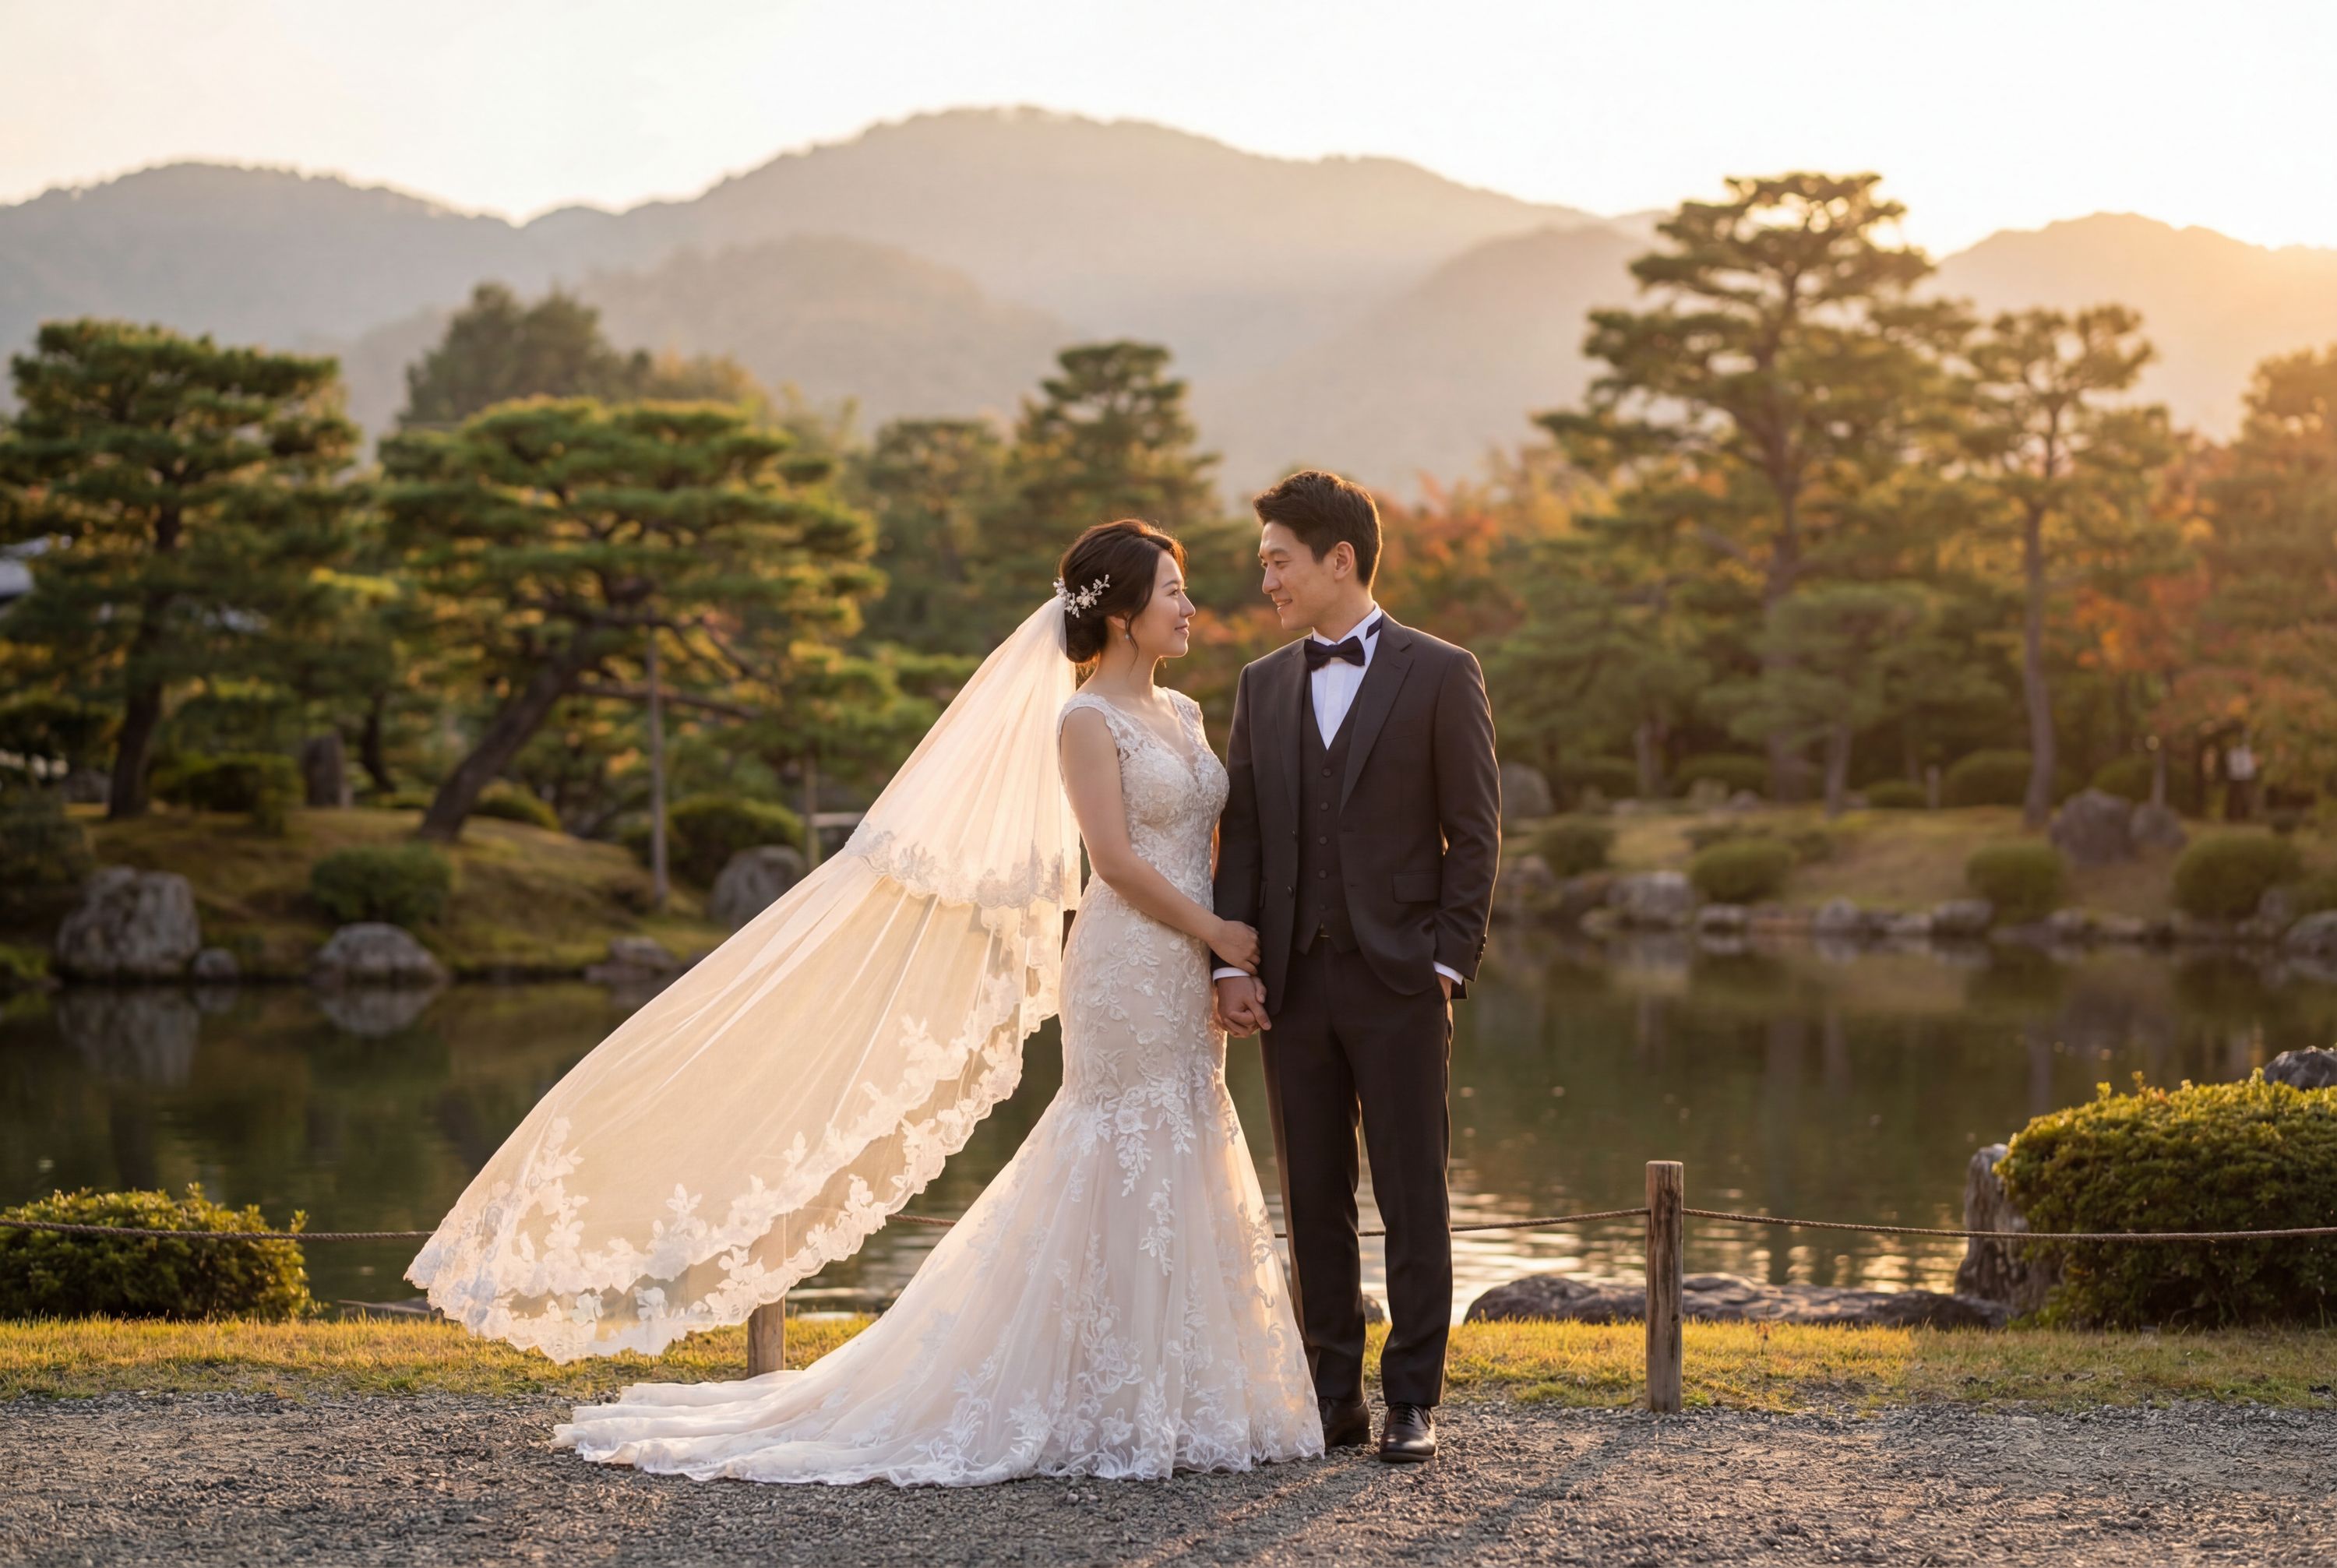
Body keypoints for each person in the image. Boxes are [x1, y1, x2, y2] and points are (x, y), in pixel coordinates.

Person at [408, 519, 1320, 1485]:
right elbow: (1115, 862)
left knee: (1184, 1134)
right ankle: (1095, 1396)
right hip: (1130, 960)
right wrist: (1216, 933)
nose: (1192, 605)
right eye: (1174, 591)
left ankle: (1177, 1393)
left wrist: (1226, 961)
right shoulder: (1085, 721)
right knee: (1119, 1143)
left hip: (1186, 967)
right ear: (1126, 615)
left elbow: (1210, 840)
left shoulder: (1180, 716)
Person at [1211, 470, 1501, 1464]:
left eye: (1278, 561)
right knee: (1313, 1196)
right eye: (1263, 566)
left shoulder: (1442, 671)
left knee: (1414, 1192)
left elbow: (1476, 832)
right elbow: (1243, 837)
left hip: (1403, 978)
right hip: (1292, 980)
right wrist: (1231, 964)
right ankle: (1331, 1395)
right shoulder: (1260, 683)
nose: (1268, 583)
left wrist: (1447, 966)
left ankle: (1412, 1398)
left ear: (1341, 559)